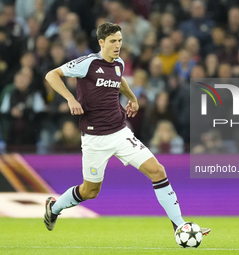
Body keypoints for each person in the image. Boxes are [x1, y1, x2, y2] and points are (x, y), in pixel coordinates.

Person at [43, 22, 210, 236]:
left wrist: (132, 98)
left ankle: (180, 226)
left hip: (121, 133)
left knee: (158, 171)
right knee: (90, 191)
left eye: (120, 40)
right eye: (113, 41)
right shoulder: (88, 63)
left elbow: (119, 80)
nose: (118, 45)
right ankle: (54, 208)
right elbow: (51, 75)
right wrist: (70, 99)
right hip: (95, 138)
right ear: (101, 42)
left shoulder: (119, 63)